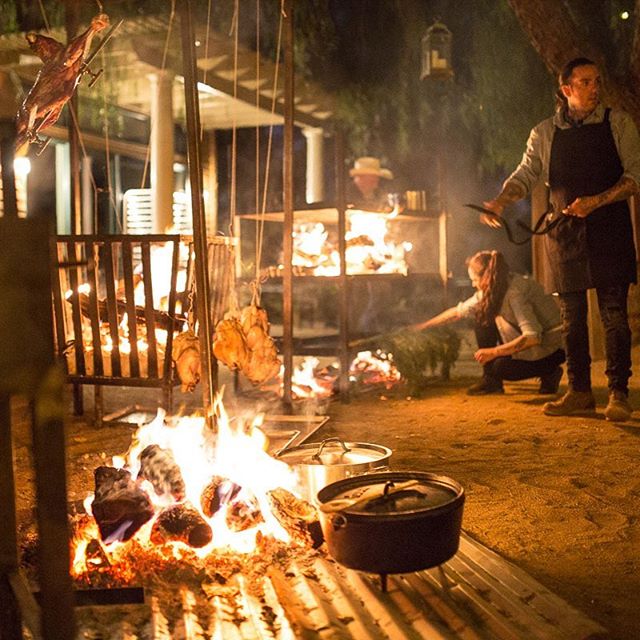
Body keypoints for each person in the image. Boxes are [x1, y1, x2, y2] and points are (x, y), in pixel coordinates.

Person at [482, 57, 640, 421]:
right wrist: (501, 201)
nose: (594, 88)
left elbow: (635, 176)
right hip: (564, 233)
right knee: (571, 318)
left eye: (596, 81)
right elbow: (526, 173)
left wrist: (597, 201)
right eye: (585, 82)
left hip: (609, 229)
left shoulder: (618, 123)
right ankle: (580, 391)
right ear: (566, 89)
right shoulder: (544, 133)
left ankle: (618, 393)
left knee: (614, 316)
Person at [413, 250, 566, 396]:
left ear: (486, 277)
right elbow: (456, 313)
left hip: (552, 348)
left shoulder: (515, 293)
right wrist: (420, 328)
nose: (473, 284)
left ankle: (550, 371)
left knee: (500, 367)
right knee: (482, 316)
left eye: (474, 280)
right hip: (535, 343)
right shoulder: (494, 290)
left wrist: (492, 352)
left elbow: (533, 337)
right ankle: (491, 382)